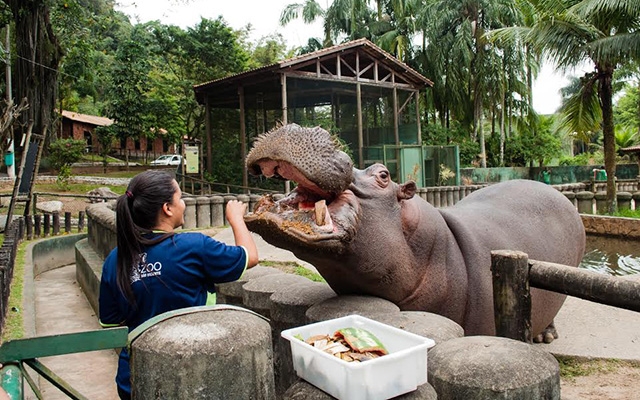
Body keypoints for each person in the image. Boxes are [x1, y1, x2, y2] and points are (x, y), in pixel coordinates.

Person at [98, 170, 258, 400]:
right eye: (180, 198)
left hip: (134, 378)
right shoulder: (193, 246)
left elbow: (110, 322)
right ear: (167, 208)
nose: (183, 204)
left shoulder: (115, 259)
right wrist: (236, 219)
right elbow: (250, 257)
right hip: (191, 375)